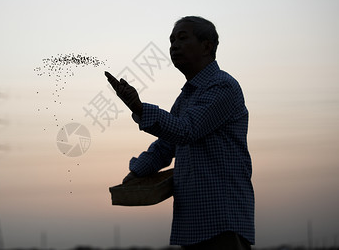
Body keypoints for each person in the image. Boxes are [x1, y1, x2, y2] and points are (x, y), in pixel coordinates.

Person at [105, 16, 255, 249]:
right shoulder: (187, 97)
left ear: (207, 46)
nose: (174, 46)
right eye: (172, 40)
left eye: (182, 38)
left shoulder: (223, 86)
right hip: (194, 223)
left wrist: (139, 108)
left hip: (222, 219)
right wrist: (137, 172)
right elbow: (166, 145)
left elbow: (186, 130)